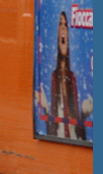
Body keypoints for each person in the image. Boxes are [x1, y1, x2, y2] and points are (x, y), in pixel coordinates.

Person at [38, 10, 90, 140]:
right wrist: (46, 109)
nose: (62, 28)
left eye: (65, 24)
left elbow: (80, 136)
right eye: (60, 24)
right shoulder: (54, 77)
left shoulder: (72, 78)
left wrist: (83, 116)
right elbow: (52, 132)